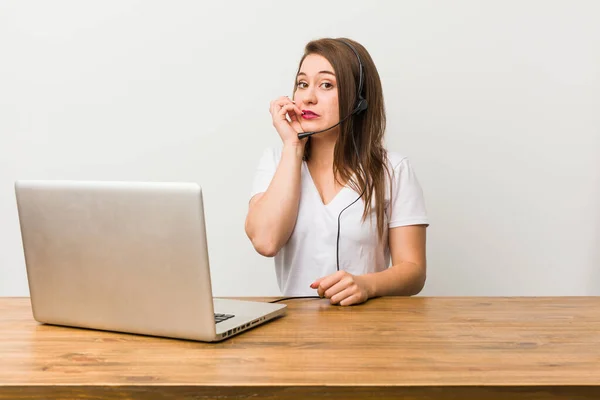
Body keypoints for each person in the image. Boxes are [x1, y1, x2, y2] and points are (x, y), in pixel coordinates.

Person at [245, 37, 429, 306]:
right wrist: (293, 148)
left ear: (359, 100)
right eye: (302, 84)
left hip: (369, 332)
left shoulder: (393, 170)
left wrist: (367, 285)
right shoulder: (276, 160)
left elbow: (413, 270)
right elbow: (266, 242)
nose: (308, 97)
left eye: (326, 85)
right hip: (293, 337)